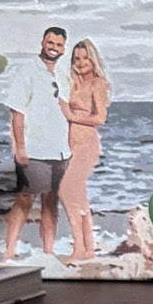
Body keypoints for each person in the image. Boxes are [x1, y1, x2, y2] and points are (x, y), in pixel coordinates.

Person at [1, 24, 72, 259]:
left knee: (51, 201)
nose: (54, 48)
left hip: (61, 150)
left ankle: (48, 252)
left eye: (59, 44)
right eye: (50, 42)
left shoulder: (63, 76)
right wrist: (20, 147)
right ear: (43, 42)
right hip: (34, 150)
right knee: (25, 199)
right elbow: (17, 113)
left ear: (64, 48)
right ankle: (9, 251)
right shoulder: (28, 71)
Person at [59, 38, 111, 261]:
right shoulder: (73, 82)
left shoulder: (97, 83)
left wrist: (72, 115)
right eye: (76, 58)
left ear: (93, 58)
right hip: (70, 145)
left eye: (85, 57)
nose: (80, 63)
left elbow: (100, 118)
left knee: (65, 189)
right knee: (78, 194)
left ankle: (79, 247)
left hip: (86, 146)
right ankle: (88, 248)